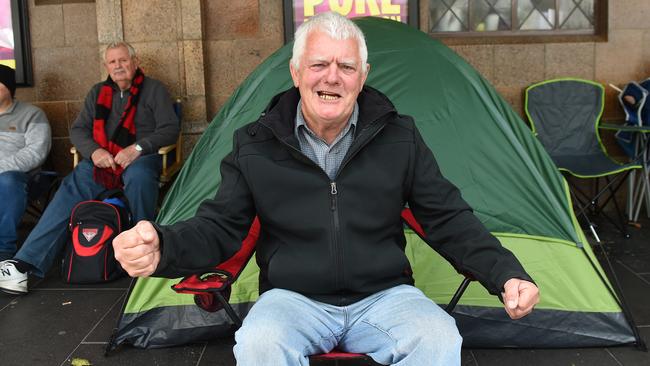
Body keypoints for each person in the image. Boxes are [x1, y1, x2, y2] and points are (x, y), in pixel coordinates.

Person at [113, 13, 539, 365]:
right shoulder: (254, 143)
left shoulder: (400, 138)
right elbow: (219, 227)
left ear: (363, 75)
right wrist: (163, 248)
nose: (332, 77)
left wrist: (505, 274)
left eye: (346, 66)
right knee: (259, 344)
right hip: (292, 299)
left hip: (385, 296)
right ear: (296, 72)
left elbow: (448, 218)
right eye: (319, 65)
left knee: (438, 338)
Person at [0, 41, 180, 295]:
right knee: (71, 186)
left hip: (140, 158)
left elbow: (170, 129)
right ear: (106, 66)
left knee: (139, 178)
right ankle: (25, 263)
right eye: (112, 62)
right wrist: (95, 151)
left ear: (135, 62)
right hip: (102, 161)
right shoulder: (98, 92)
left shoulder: (154, 90)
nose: (118, 66)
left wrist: (137, 149)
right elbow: (79, 130)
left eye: (123, 60)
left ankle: (145, 253)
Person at [0, 65, 51, 262]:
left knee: (7, 181)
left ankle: (3, 249)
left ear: (10, 88)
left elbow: (36, 152)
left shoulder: (32, 114)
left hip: (23, 178)